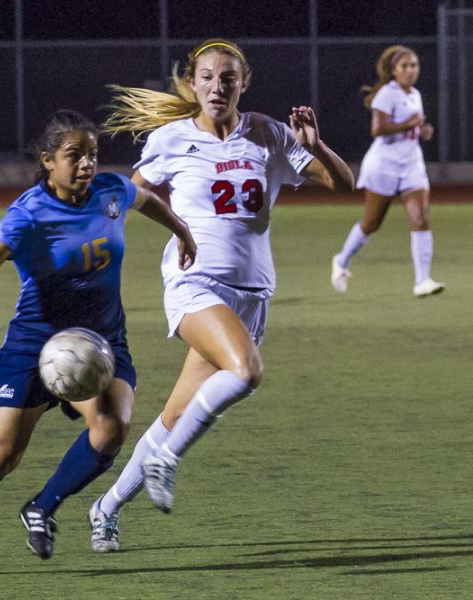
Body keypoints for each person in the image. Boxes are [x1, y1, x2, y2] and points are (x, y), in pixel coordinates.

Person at [87, 38, 354, 552]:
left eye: (227, 77)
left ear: (243, 83)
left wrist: (315, 145)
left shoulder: (269, 133)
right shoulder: (171, 140)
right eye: (206, 77)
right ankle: (168, 461)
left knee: (173, 417)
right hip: (195, 284)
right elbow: (132, 191)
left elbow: (343, 184)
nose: (216, 86)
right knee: (247, 372)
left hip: (251, 296)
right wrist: (102, 228)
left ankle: (106, 508)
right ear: (193, 82)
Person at [0, 109, 196, 580]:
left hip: (102, 340)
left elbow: (147, 199)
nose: (86, 164)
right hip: (36, 344)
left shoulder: (110, 191)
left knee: (112, 427)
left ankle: (43, 507)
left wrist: (182, 231)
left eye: (92, 155)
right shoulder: (30, 213)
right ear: (48, 160)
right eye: (74, 155)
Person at [330, 45, 445, 297]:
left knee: (420, 217)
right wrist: (409, 124)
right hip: (384, 166)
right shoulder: (386, 94)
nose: (411, 70)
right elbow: (378, 129)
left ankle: (423, 280)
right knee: (371, 222)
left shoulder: (415, 94)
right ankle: (341, 261)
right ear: (393, 70)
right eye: (405, 66)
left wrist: (421, 131)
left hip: (411, 164)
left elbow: (410, 129)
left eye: (414, 65)